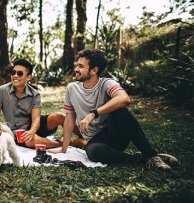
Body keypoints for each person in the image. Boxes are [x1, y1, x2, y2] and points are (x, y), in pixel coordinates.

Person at [48, 48, 178, 170]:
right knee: (93, 152)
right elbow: (69, 120)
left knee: (120, 110)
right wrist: (63, 149)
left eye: (81, 66)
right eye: (77, 65)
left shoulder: (107, 83)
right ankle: (141, 159)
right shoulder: (72, 88)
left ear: (94, 70)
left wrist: (93, 113)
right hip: (95, 141)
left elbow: (125, 99)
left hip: (115, 134)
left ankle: (151, 155)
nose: (76, 69)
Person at [0, 58, 64, 149]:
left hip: (33, 126)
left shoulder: (35, 94)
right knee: (29, 140)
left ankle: (83, 136)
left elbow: (36, 119)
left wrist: (32, 131)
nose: (15, 76)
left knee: (59, 116)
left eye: (20, 73)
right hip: (16, 132)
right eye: (13, 72)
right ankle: (64, 144)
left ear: (29, 77)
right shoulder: (1, 91)